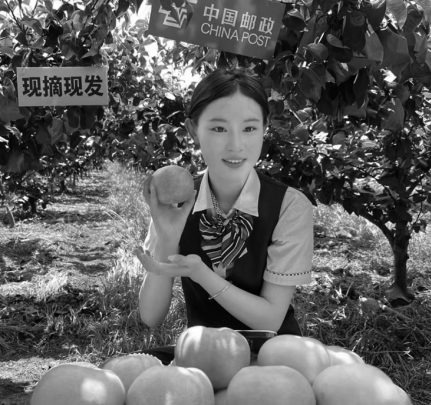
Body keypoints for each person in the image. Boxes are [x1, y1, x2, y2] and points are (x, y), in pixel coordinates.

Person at [133, 67, 315, 363]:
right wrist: (167, 239)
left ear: (265, 128)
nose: (236, 145)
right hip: (207, 355)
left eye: (249, 128)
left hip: (275, 358)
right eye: (219, 128)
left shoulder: (288, 206)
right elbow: (151, 316)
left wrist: (202, 274)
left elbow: (270, 320)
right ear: (193, 130)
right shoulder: (176, 203)